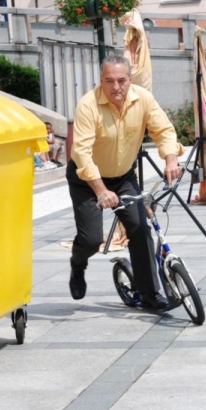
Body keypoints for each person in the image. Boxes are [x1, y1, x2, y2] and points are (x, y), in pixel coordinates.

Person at [67, 54, 183, 309]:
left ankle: (150, 295)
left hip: (124, 176)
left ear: (130, 79)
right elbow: (82, 153)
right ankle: (78, 264)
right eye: (109, 81)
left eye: (121, 80)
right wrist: (100, 190)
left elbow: (163, 130)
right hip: (87, 179)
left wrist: (171, 159)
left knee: (140, 230)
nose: (116, 87)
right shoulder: (88, 105)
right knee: (91, 239)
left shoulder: (143, 98)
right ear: (101, 81)